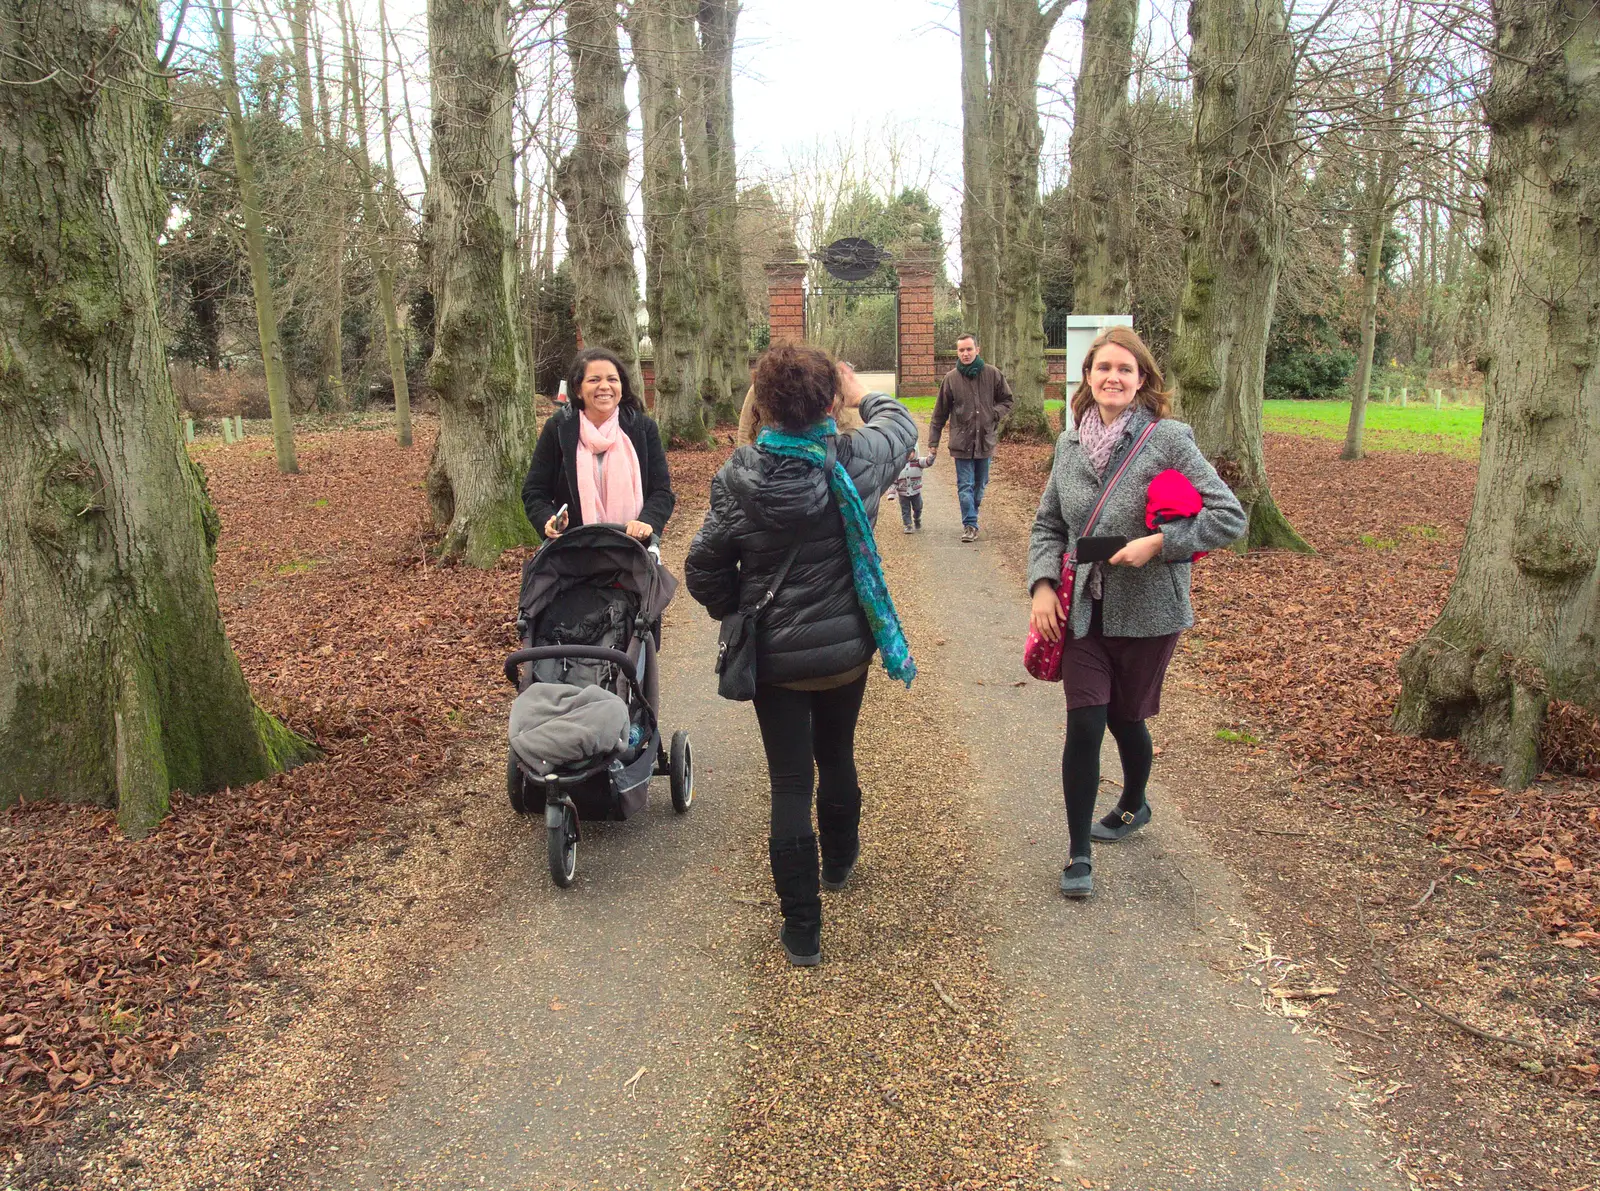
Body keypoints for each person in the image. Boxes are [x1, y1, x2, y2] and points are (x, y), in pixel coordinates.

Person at [686, 344, 917, 966]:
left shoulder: (739, 474)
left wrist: (739, 612)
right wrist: (856, 388)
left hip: (777, 659)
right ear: (828, 402)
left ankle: (802, 931)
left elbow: (702, 567)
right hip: (846, 648)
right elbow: (901, 423)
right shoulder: (860, 457)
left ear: (761, 405)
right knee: (837, 752)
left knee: (790, 782)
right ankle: (839, 863)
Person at [1027, 326, 1245, 899]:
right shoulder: (1068, 444)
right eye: (1103, 368)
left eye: (1125, 369)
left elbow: (1229, 517)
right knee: (1085, 724)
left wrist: (1161, 543)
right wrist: (1043, 584)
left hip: (1150, 609)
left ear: (1141, 378)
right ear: (1088, 377)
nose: (1113, 378)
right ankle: (1077, 852)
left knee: (1127, 718)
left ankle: (1133, 801)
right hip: (1081, 612)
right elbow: (1049, 523)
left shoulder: (1168, 439)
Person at [522, 347, 676, 543]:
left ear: (621, 386)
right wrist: (548, 519)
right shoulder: (558, 429)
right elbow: (535, 491)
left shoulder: (643, 429)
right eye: (594, 380)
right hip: (574, 551)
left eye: (612, 379)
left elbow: (661, 492)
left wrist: (647, 521)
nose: (604, 386)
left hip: (633, 550)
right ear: (578, 389)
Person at [929, 332, 1012, 543]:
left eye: (968, 349)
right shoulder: (950, 379)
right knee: (964, 485)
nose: (965, 354)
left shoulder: (993, 374)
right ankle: (970, 524)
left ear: (977, 349)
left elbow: (1007, 400)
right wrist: (933, 444)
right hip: (961, 442)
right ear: (957, 352)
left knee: (980, 484)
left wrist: (994, 414)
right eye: (961, 350)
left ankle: (971, 514)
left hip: (985, 441)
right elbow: (939, 415)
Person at [892, 446, 935, 533]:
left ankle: (917, 517)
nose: (908, 454)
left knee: (918, 507)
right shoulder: (898, 465)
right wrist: (891, 493)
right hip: (902, 493)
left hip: (916, 492)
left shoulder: (918, 462)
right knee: (905, 510)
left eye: (911, 452)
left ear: (915, 452)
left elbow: (928, 462)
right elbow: (893, 480)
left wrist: (932, 454)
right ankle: (908, 525)